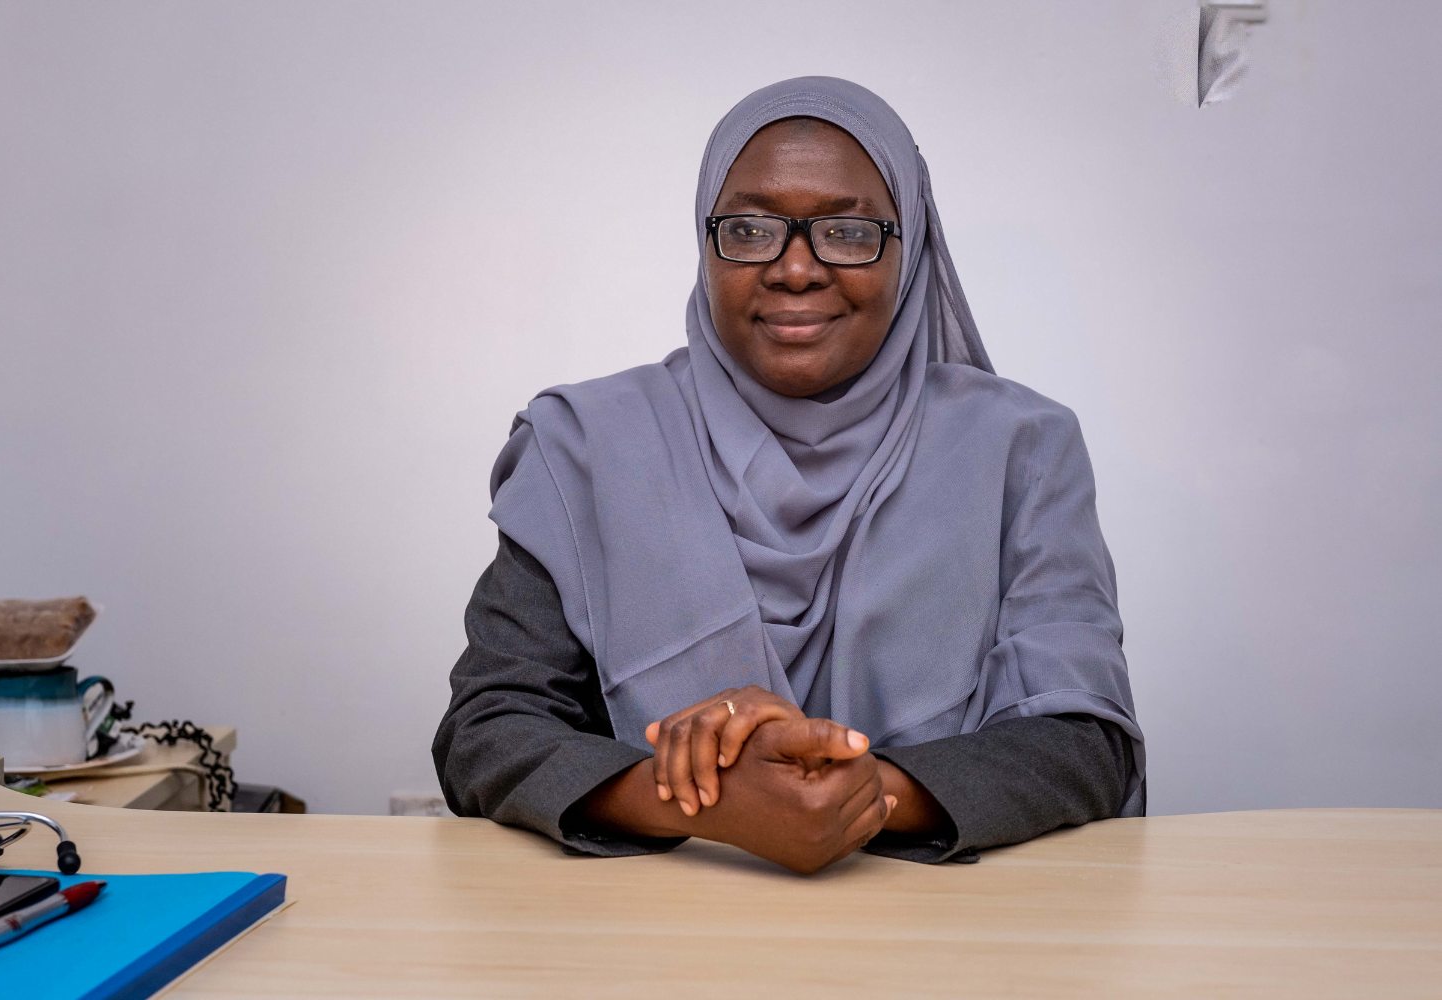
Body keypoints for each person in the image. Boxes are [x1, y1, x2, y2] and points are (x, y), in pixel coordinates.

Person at [433, 77, 1144, 875]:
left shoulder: (1020, 446)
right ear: (705, 243)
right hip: (653, 934)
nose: (796, 269)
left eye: (847, 231)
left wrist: (871, 796)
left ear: (909, 250)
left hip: (946, 939)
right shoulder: (586, 446)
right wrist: (698, 800)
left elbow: (1084, 740)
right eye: (749, 227)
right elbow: (490, 727)